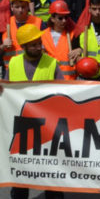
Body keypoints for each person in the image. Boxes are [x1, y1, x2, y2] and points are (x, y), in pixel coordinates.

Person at [6, 24, 64, 199]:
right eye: (34, 45)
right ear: (23, 47)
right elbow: (8, 91)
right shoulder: (14, 63)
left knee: (52, 176)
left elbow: (64, 92)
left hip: (48, 128)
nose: (39, 47)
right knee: (20, 178)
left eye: (39, 43)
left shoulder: (52, 63)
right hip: (21, 129)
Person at [2, 0, 44, 77]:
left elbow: (47, 46)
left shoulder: (38, 22)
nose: (20, 10)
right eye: (17, 7)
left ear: (28, 7)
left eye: (23, 6)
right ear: (11, 7)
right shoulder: (4, 24)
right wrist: (3, 46)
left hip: (35, 68)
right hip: (11, 70)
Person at [40, 0, 77, 81]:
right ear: (52, 19)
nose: (64, 21)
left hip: (69, 81)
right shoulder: (42, 35)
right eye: (60, 18)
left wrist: (80, 50)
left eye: (66, 17)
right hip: (49, 80)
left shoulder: (73, 35)